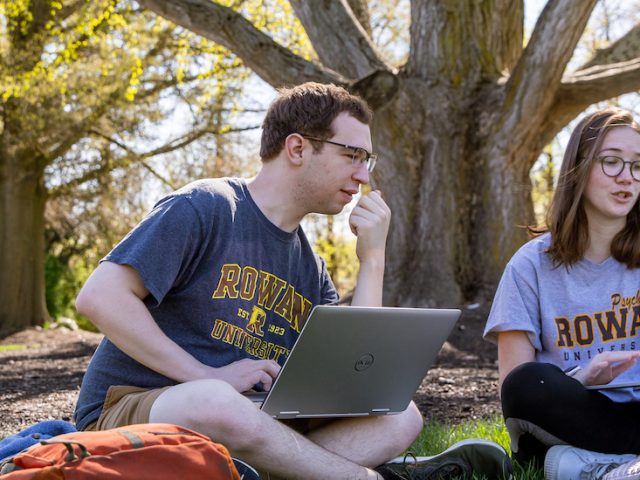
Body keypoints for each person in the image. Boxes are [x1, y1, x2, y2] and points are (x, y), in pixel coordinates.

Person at [73, 82, 510, 480]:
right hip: (135, 408)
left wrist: (372, 257)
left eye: (367, 160)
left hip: (250, 418)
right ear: (298, 148)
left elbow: (356, 382)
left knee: (401, 416)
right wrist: (206, 374)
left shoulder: (309, 265)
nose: (363, 176)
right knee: (215, 401)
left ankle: (283, 473)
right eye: (352, 155)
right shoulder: (206, 207)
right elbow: (100, 297)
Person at [484, 107, 640, 480]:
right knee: (527, 384)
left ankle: (606, 467)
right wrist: (581, 377)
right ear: (580, 167)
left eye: (638, 165)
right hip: (573, 414)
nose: (628, 178)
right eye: (612, 162)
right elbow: (516, 391)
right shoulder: (530, 266)